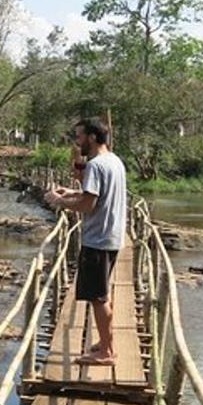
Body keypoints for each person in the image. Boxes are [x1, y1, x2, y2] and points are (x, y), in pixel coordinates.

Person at [44, 117, 127, 366]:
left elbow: (88, 205)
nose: (77, 141)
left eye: (79, 136)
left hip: (98, 240)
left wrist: (58, 201)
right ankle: (105, 343)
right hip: (112, 237)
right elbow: (94, 195)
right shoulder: (114, 161)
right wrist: (71, 192)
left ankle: (107, 353)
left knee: (97, 298)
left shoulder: (96, 166)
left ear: (92, 137)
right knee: (102, 294)